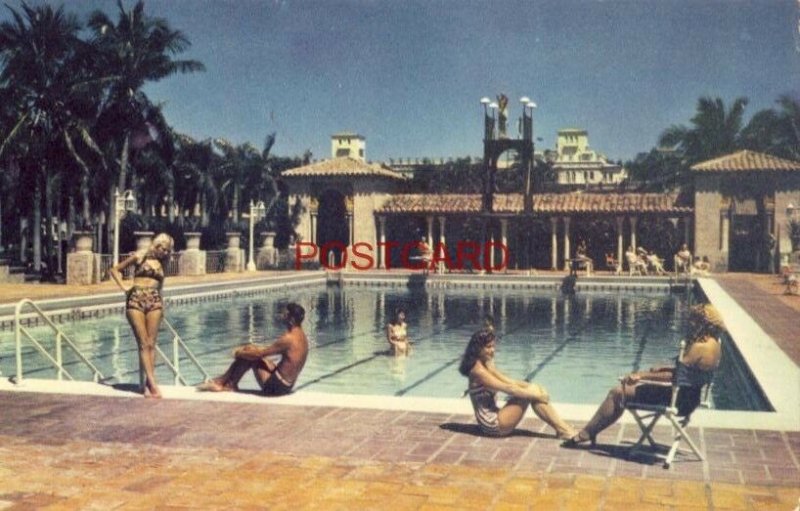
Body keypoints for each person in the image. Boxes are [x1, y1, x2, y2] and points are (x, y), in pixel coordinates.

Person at [562, 303, 725, 447]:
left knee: (618, 392)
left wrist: (641, 375)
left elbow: (675, 378)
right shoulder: (715, 344)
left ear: (704, 323)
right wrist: (664, 368)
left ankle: (586, 433)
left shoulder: (699, 347)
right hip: (691, 397)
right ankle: (590, 432)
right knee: (624, 392)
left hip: (678, 400)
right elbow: (688, 372)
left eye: (694, 319)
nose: (690, 323)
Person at [459, 329, 576, 439]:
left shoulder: (485, 365)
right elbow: (509, 389)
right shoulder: (478, 371)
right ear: (478, 348)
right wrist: (538, 396)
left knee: (533, 389)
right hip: (492, 425)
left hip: (496, 416)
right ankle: (564, 430)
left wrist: (534, 387)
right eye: (488, 347)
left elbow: (510, 381)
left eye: (493, 346)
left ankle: (563, 428)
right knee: (530, 395)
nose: (493, 350)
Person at [108, 233, 175, 398]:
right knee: (143, 343)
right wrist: (124, 286)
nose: (165, 253)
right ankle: (153, 383)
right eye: (163, 249)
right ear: (156, 246)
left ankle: (148, 385)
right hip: (135, 300)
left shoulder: (163, 263)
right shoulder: (140, 256)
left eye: (168, 251)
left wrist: (162, 304)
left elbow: (161, 286)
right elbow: (115, 270)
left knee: (152, 344)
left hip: (154, 301)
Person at [198, 303, 308, 396]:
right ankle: (226, 382)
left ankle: (223, 382)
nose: (281, 316)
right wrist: (247, 350)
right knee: (250, 349)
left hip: (276, 388)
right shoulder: (302, 336)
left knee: (250, 355)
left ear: (291, 319)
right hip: (286, 385)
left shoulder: (288, 339)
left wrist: (239, 352)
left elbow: (258, 355)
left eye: (284, 314)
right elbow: (263, 352)